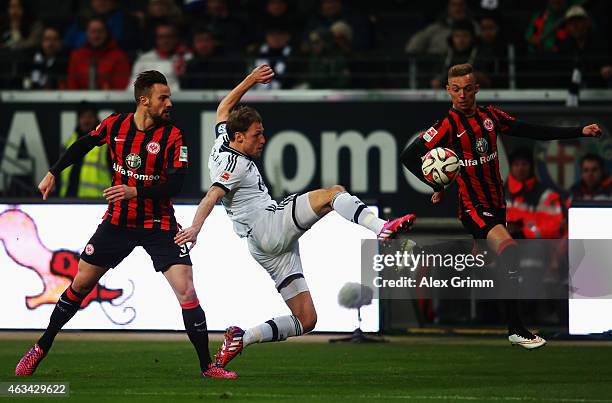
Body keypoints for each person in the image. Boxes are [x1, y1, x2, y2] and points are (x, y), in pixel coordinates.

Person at [174, 64, 416, 373]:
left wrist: (249, 80)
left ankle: (241, 338)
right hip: (268, 226)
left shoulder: (222, 142)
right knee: (333, 194)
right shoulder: (235, 165)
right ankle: (382, 228)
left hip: (262, 247)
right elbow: (212, 195)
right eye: (257, 135)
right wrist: (195, 228)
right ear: (240, 137)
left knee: (306, 320)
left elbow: (224, 106)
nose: (263, 140)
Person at [15, 70, 236, 379]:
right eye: (163, 97)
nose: (169, 103)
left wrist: (136, 190)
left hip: (158, 223)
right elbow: (83, 144)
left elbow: (175, 185)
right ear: (143, 100)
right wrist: (54, 171)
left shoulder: (173, 135)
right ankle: (39, 348)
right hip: (118, 222)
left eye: (169, 97)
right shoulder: (115, 125)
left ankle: (207, 366)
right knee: (79, 284)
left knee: (187, 290)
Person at [401, 63, 601, 349]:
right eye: (456, 89)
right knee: (510, 250)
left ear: (476, 89)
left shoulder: (491, 117)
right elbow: (410, 157)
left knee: (482, 261)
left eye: (467, 89)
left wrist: (579, 131)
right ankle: (516, 329)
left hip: (497, 205)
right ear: (448, 91)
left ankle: (420, 251)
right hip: (472, 207)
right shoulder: (446, 126)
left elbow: (533, 131)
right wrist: (437, 185)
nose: (462, 95)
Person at [505, 147, 564, 239]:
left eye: (524, 164)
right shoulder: (501, 192)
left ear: (531, 167)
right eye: (516, 164)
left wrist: (523, 234)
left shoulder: (547, 195)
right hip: (503, 247)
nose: (520, 168)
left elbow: (554, 227)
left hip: (535, 248)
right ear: (511, 168)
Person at [59, 102, 112, 198]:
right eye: (83, 117)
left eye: (90, 117)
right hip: (68, 200)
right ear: (78, 119)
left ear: (96, 119)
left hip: (97, 202)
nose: (86, 120)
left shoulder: (105, 144)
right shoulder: (69, 142)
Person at [66, 17, 131, 90]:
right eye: (93, 31)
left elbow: (121, 85)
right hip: (80, 99)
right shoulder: (77, 55)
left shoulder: (119, 56)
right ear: (87, 33)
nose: (96, 35)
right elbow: (71, 84)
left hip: (109, 99)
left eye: (100, 31)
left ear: (106, 33)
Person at [129, 22, 191, 91]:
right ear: (155, 39)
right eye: (161, 37)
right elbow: (132, 88)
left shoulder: (187, 57)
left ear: (176, 38)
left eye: (169, 37)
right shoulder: (144, 59)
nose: (165, 41)